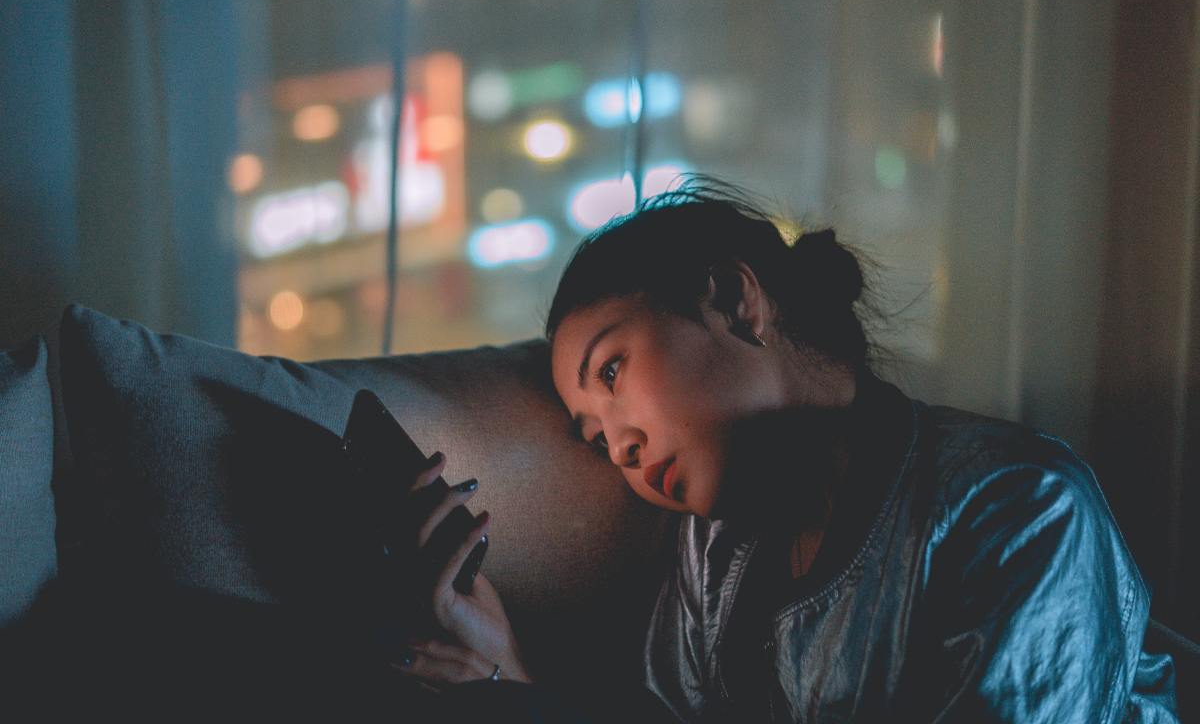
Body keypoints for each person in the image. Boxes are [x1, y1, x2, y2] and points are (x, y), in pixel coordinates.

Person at [394, 178, 1180, 722]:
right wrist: (508, 671)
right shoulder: (713, 555)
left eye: (613, 370)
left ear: (737, 301)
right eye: (596, 439)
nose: (623, 449)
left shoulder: (1018, 507)